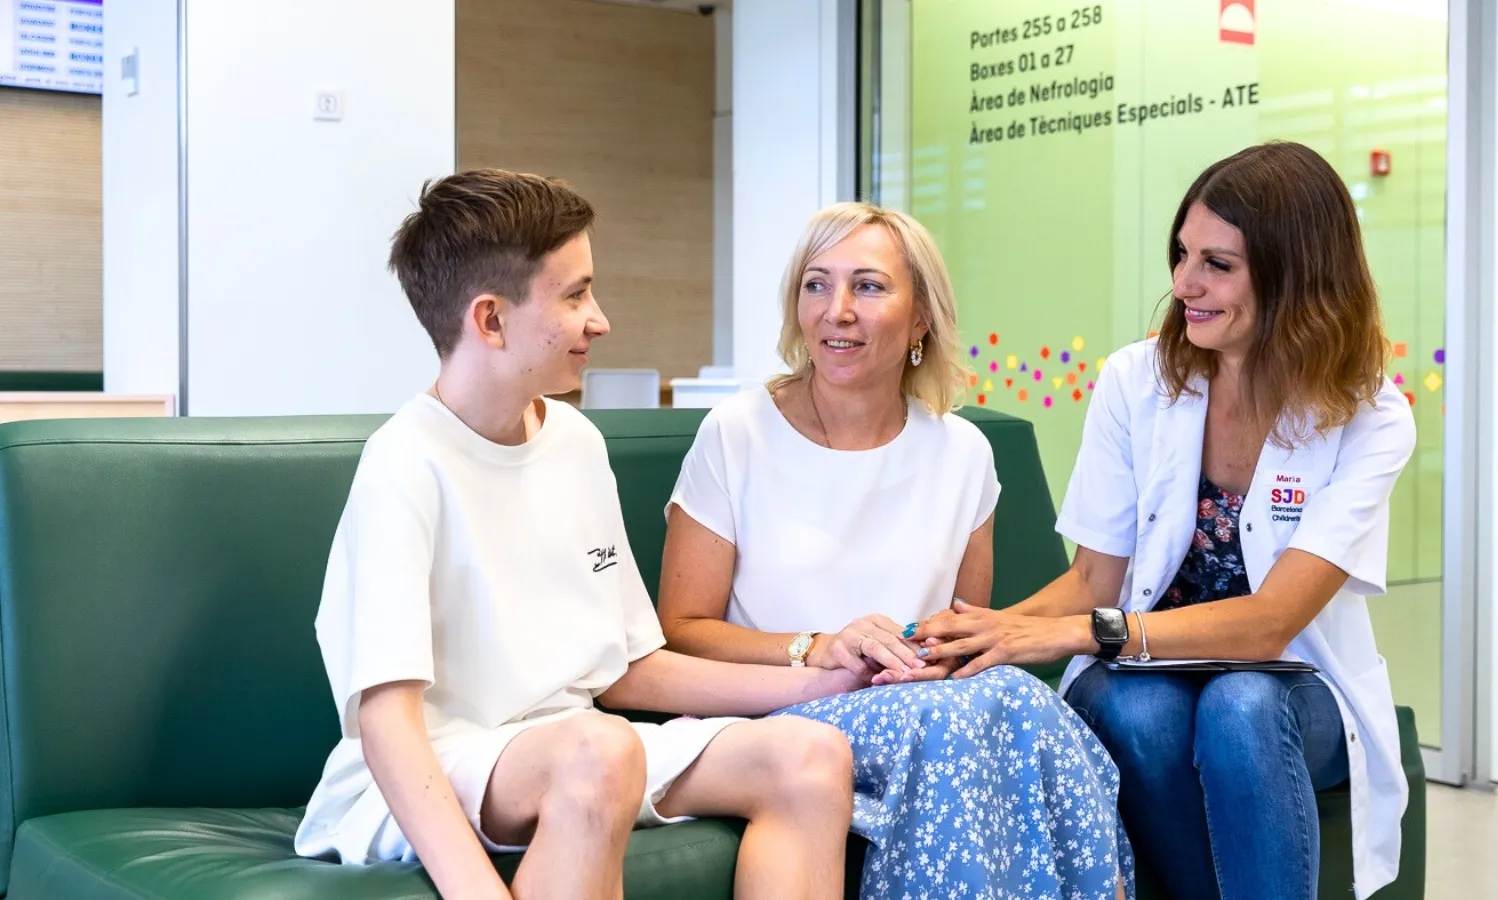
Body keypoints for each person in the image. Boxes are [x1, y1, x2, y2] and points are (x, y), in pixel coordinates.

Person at [293, 169, 866, 900]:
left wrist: (822, 678)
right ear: (491, 320)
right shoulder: (404, 465)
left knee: (812, 757)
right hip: (436, 763)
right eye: (575, 295)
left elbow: (628, 667)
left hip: (582, 747)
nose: (600, 320)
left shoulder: (574, 441)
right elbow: (387, 720)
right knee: (598, 749)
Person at [913, 141, 1416, 900]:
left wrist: (1090, 634)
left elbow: (1270, 625)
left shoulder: (1371, 416)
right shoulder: (1135, 382)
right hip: (1150, 676)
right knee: (1134, 708)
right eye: (1182, 254)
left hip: (1298, 692)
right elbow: (1094, 580)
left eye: (1217, 264)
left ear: (1296, 275)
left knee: (1240, 705)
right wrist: (991, 633)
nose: (1184, 284)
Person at [658, 201, 1131, 900]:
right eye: (816, 285)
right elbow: (683, 633)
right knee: (989, 714)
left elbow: (965, 631)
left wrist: (938, 657)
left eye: (868, 286)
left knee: (1007, 698)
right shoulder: (737, 434)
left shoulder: (964, 453)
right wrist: (816, 646)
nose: (836, 310)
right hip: (779, 712)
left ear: (920, 320)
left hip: (924, 709)